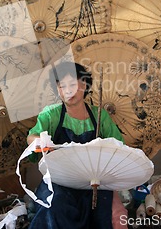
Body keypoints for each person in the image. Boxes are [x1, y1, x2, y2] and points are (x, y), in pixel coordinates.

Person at [27, 61, 126, 229]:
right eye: (61, 86)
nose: (67, 91)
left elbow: (118, 147)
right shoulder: (51, 115)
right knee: (55, 209)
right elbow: (32, 136)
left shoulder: (99, 116)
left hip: (94, 182)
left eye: (72, 84)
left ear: (85, 84)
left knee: (117, 216)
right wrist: (40, 141)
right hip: (59, 182)